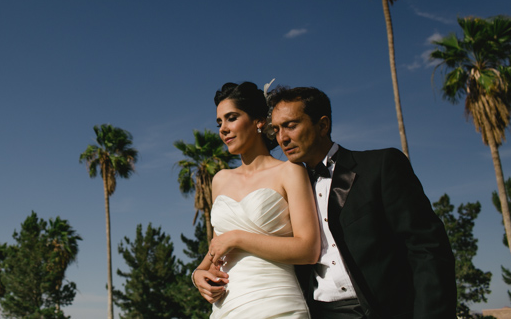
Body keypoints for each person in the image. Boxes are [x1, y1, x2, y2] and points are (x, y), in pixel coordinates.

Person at [266, 86, 456, 319]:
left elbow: (427, 249)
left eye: (291, 125)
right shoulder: (286, 191)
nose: (282, 138)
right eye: (276, 129)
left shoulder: (380, 166)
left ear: (323, 125)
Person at [192, 82, 321, 318]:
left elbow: (308, 249)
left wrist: (238, 238)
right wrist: (198, 274)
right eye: (219, 123)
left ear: (259, 121)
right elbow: (217, 249)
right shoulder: (220, 180)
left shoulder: (290, 171)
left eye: (232, 118)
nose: (223, 129)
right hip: (227, 307)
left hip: (277, 305)